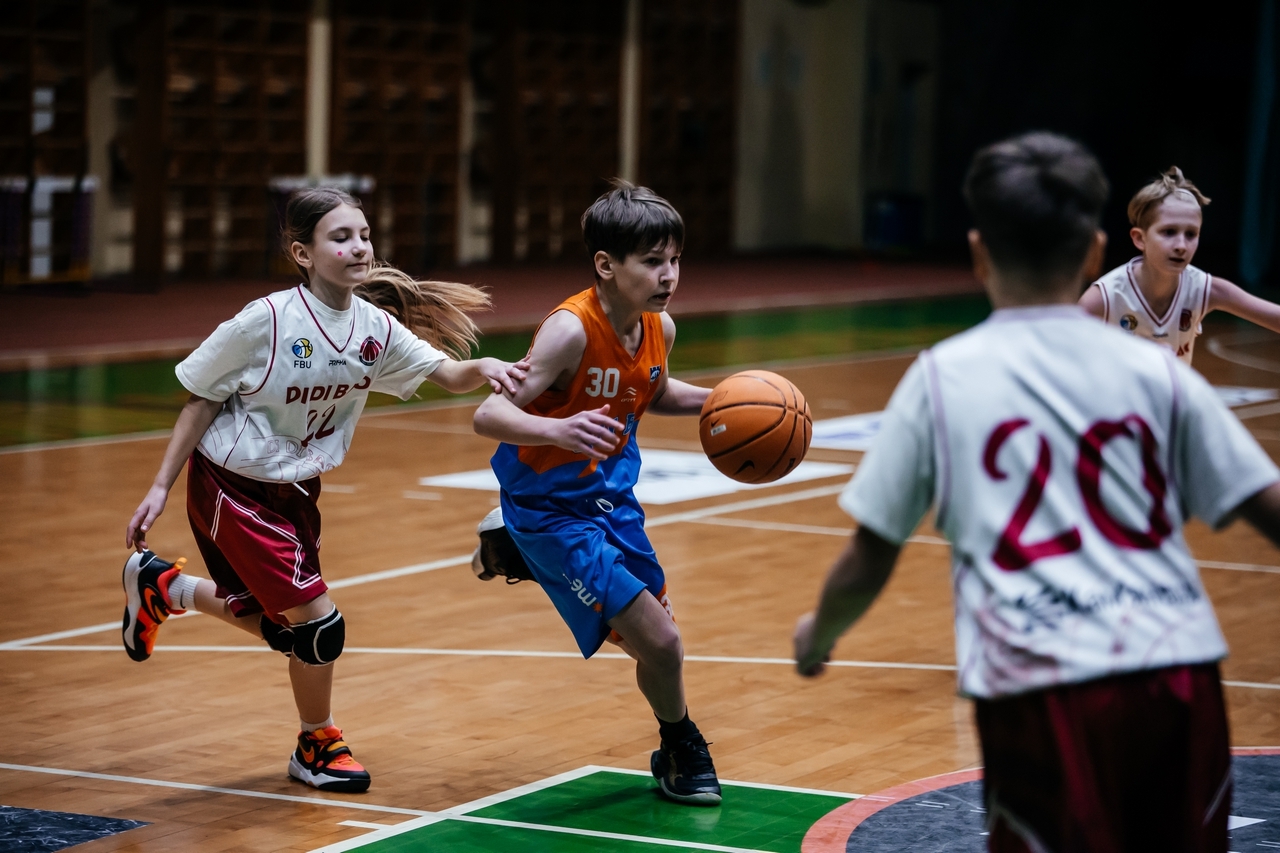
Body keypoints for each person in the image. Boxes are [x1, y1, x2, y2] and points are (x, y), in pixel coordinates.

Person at [793, 133, 1280, 851]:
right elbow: (1269, 508)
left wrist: (819, 633)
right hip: (1178, 670)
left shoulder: (943, 376)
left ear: (978, 252)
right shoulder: (1161, 375)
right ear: (1097, 250)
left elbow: (871, 554)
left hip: (1039, 679)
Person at [122, 187, 525, 793]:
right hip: (232, 483)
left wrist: (485, 367)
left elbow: (445, 373)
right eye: (341, 237)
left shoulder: (374, 327)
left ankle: (164, 587)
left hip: (297, 491)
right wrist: (160, 486)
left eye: (364, 235)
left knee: (289, 631)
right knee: (319, 627)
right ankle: (317, 743)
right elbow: (201, 400)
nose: (359, 247)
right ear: (302, 253)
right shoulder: (266, 321)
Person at [470, 181, 722, 805]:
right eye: (653, 261)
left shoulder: (659, 327)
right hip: (551, 510)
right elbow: (488, 415)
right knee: (662, 642)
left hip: (614, 503)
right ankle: (682, 743)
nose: (669, 275)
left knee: (656, 649)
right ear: (606, 265)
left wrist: (726, 400)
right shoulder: (570, 331)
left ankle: (512, 549)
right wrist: (555, 429)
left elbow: (654, 391)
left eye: (675, 260)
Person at [1080, 165, 1280, 363]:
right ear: (1140, 238)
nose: (1181, 246)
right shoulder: (1104, 297)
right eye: (1169, 232)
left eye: (1191, 234)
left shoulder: (1204, 289)